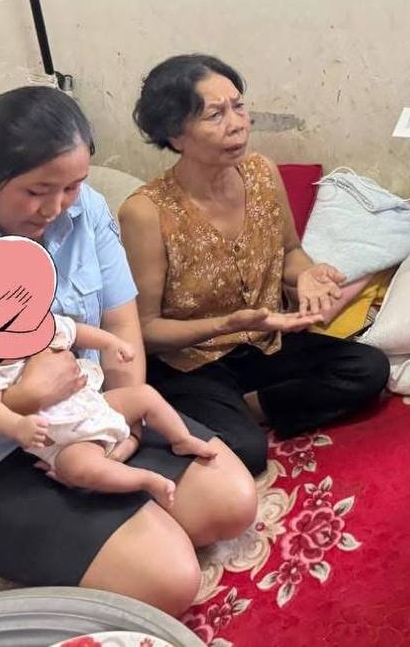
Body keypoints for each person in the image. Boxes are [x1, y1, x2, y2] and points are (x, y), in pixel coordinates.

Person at [0, 87, 257, 616]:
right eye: (36, 191)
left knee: (232, 505)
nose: (55, 208)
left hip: (88, 414)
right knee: (170, 579)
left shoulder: (85, 209)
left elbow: (119, 324)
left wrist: (125, 428)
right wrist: (21, 401)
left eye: (72, 186)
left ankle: (126, 520)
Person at [120, 54, 391, 477]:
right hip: (191, 362)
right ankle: (215, 414)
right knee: (247, 453)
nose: (237, 124)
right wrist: (225, 324)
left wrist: (308, 274)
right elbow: (146, 331)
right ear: (175, 134)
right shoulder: (146, 212)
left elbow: (290, 252)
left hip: (264, 344)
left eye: (239, 106)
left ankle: (248, 407)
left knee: (369, 368)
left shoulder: (262, 173)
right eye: (215, 115)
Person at [0, 313, 216, 509]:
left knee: (144, 395)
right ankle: (145, 481)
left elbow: (75, 330)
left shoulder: (34, 328)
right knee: (77, 468)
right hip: (68, 441)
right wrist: (16, 425)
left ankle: (181, 439)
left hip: (96, 404)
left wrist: (111, 343)